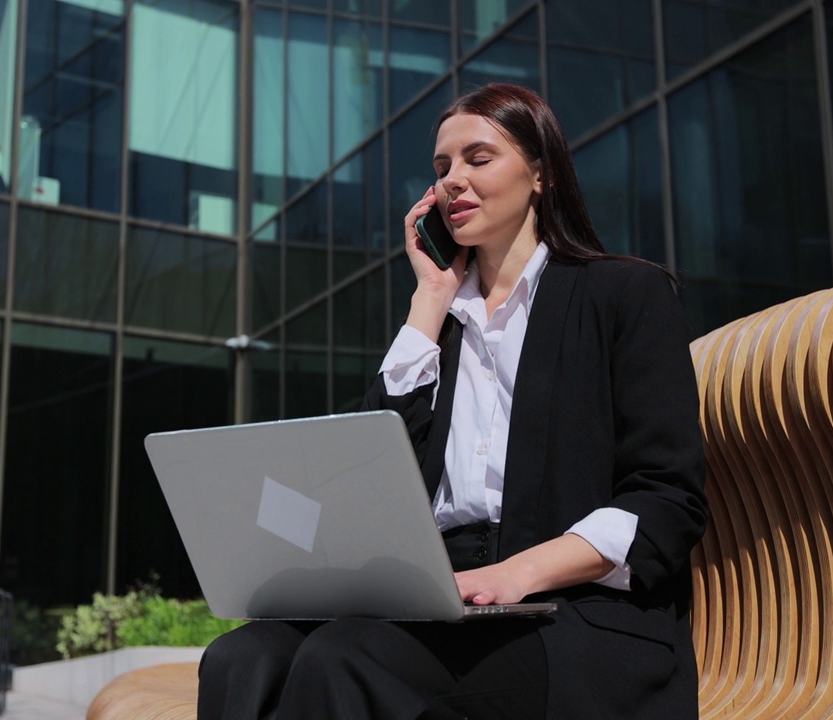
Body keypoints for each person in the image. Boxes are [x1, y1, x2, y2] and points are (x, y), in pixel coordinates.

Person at [198, 82, 707, 719]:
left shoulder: (625, 294)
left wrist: (517, 574)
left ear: (541, 173)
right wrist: (430, 299)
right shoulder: (439, 326)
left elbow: (667, 498)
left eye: (478, 158)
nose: (452, 181)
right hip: (440, 597)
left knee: (347, 658)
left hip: (574, 615)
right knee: (240, 660)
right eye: (441, 167)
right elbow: (370, 484)